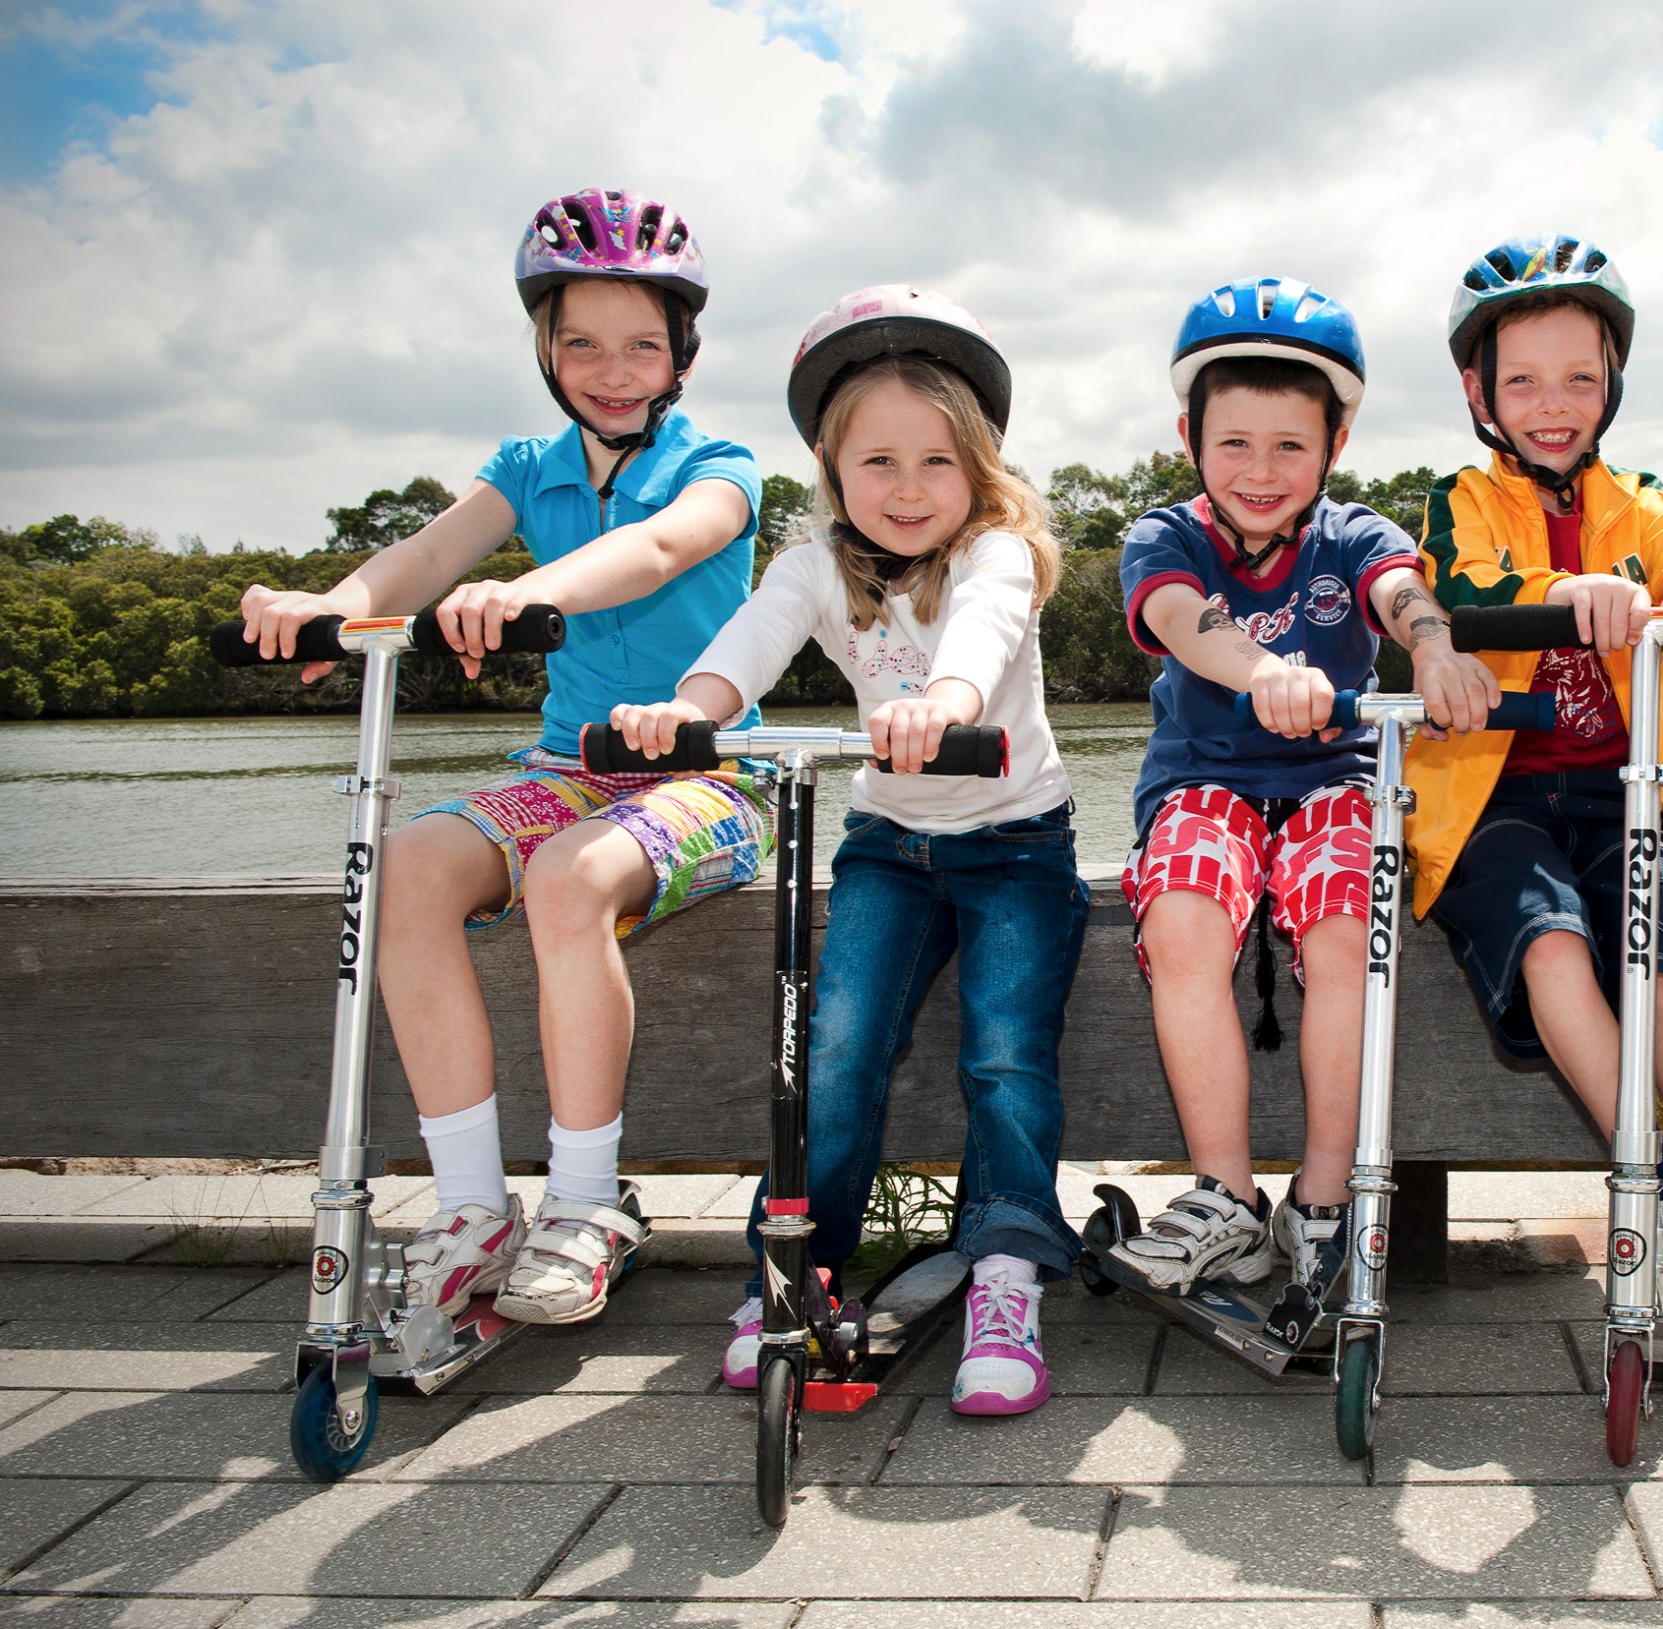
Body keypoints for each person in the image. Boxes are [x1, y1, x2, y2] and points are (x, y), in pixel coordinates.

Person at [233, 187, 766, 1325]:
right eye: (579, 342)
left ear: (681, 352)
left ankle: (585, 1202)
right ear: (543, 348)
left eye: (640, 344)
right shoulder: (527, 464)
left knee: (569, 875)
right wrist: (322, 607)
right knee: (409, 864)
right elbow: (426, 554)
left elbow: (659, 545)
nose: (611, 369)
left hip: (707, 780)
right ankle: (471, 1205)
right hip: (566, 769)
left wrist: (528, 590)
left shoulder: (721, 464)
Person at [609, 286, 1083, 1416]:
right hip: (888, 845)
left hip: (1017, 842)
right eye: (877, 462)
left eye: (934, 461)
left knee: (1006, 1054)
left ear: (977, 466)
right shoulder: (814, 561)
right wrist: (688, 708)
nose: (907, 489)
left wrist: (948, 698)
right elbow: (748, 648)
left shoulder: (999, 552)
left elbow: (983, 634)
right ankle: (795, 1268)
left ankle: (1007, 1273)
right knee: (833, 1045)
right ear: (830, 469)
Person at [1408, 233, 1663, 1330]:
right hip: (1494, 805)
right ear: (1478, 391)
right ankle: (1662, 1197)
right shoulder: (1461, 500)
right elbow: (1466, 584)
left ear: (1613, 386)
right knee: (1550, 940)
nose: (1554, 403)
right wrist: (1570, 584)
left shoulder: (1642, 504)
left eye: (1580, 378)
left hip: (1628, 792)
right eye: (1525, 379)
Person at [1108, 276, 1502, 1296]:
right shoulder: (1165, 535)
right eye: (1233, 442)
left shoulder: (1352, 535)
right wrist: (1263, 671)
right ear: (1189, 437)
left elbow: (1401, 592)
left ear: (1331, 447)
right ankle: (1227, 1197)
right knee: (1185, 919)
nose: (1260, 470)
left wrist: (1434, 648)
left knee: (1344, 931)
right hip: (1207, 779)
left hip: (1332, 776)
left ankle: (1324, 1196)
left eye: (1290, 445)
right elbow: (1181, 619)